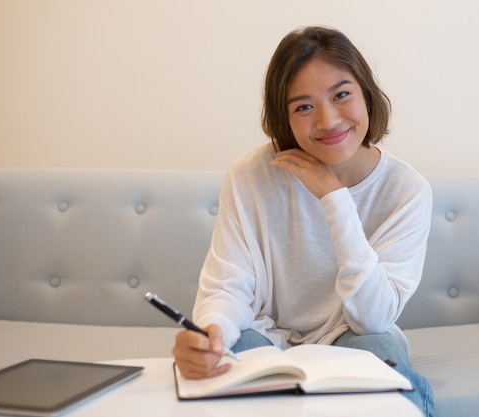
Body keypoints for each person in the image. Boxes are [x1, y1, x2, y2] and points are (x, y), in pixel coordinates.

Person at [172, 26, 435, 416]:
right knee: (226, 361)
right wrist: (211, 335)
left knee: (387, 369)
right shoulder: (250, 174)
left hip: (354, 336)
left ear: (366, 94)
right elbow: (227, 289)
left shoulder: (406, 189)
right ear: (285, 117)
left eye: (341, 94)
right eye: (304, 107)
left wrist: (335, 199)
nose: (328, 120)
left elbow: (374, 316)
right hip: (261, 336)